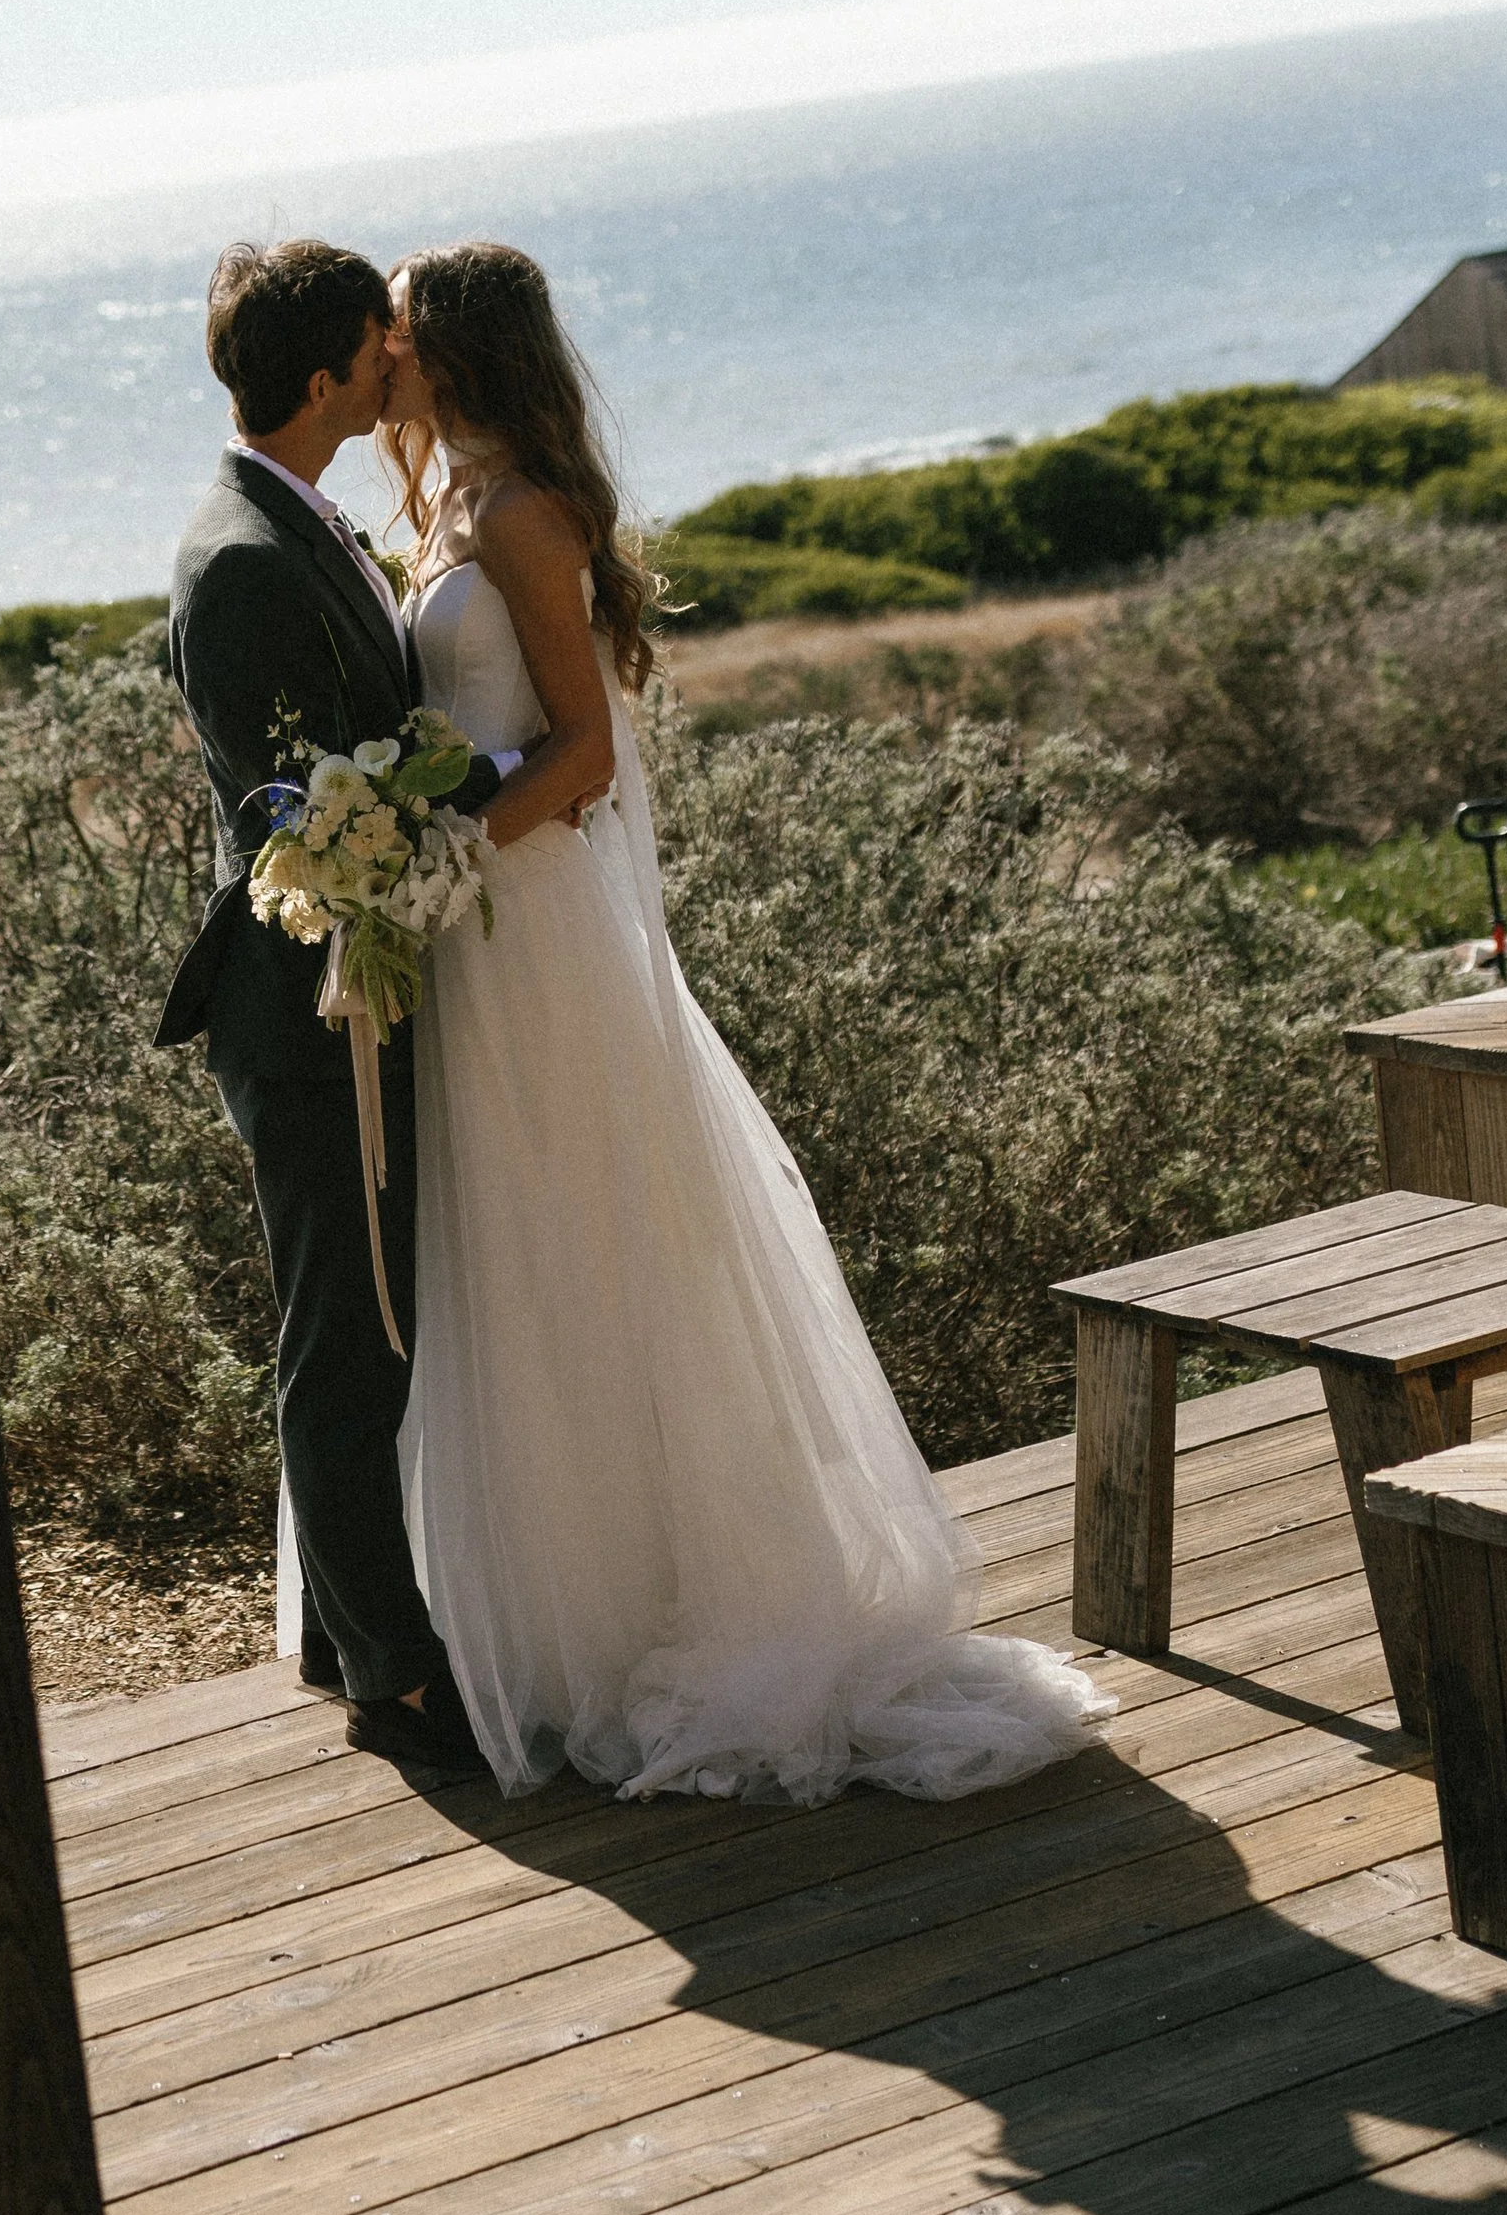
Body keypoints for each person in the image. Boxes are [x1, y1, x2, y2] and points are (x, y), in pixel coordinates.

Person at [366, 239, 1111, 1803]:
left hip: (532, 926)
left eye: (404, 336)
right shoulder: (440, 501)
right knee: (525, 1256)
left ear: (459, 348)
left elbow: (581, 755)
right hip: (478, 936)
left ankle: (693, 1598)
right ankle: (578, 1612)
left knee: (601, 1240)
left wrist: (439, 851)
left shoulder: (526, 515)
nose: (386, 355)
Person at [154, 238, 515, 1778]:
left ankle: (342, 1624)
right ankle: (390, 1672)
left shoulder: (294, 514)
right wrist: (494, 785)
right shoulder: (239, 560)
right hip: (309, 1002)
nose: (394, 370)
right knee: (343, 1329)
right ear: (322, 379)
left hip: (350, 974)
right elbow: (297, 816)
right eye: (377, 352)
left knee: (373, 1313)